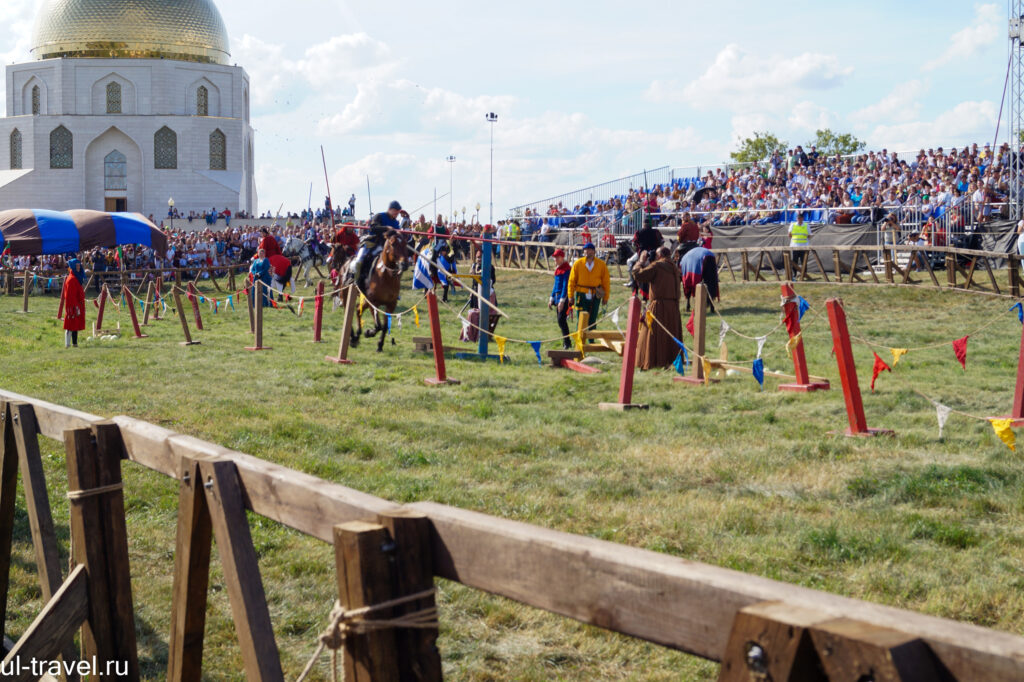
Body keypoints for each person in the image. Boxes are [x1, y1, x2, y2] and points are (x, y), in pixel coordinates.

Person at [632, 246, 682, 369]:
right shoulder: (674, 268)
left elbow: (638, 274)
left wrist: (641, 262)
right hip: (673, 307)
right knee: (670, 334)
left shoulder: (657, 266)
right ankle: (668, 362)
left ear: (659, 256)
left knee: (649, 334)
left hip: (658, 305)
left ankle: (647, 362)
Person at [349, 200, 402, 290]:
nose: (396, 213)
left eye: (398, 212)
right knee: (359, 261)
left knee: (398, 265)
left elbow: (396, 235)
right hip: (372, 243)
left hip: (385, 247)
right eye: (395, 211)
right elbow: (373, 227)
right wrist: (386, 228)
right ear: (390, 209)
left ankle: (392, 288)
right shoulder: (379, 216)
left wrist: (399, 234)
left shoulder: (396, 223)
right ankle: (356, 283)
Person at [568, 242, 610, 329]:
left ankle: (592, 341)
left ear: (594, 252)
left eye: (590, 251)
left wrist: (606, 297)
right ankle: (579, 341)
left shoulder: (601, 265)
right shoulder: (578, 264)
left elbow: (606, 282)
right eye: (586, 251)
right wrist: (570, 296)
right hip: (581, 294)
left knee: (592, 320)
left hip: (595, 294)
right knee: (581, 319)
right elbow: (571, 281)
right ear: (583, 252)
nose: (588, 253)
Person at [549, 248, 572, 349]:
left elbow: (565, 285)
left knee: (561, 320)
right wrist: (551, 298)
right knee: (560, 321)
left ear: (562, 258)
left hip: (564, 298)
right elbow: (555, 285)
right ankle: (566, 341)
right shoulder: (558, 269)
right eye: (554, 258)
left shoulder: (567, 269)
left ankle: (567, 342)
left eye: (557, 258)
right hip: (557, 298)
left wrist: (562, 301)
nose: (555, 260)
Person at [62, 258, 86, 348]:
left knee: (75, 324)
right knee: (70, 324)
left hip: (77, 304)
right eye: (77, 266)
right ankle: (67, 344)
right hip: (73, 305)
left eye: (79, 265)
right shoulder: (71, 279)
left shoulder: (77, 277)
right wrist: (73, 307)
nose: (79, 267)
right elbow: (69, 295)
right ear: (72, 267)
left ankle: (74, 343)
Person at [788, 211, 811, 276]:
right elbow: (789, 235)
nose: (799, 219)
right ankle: (794, 274)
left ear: (803, 218)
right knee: (795, 261)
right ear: (796, 219)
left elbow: (809, 235)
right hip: (795, 246)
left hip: (804, 246)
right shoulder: (793, 225)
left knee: (804, 261)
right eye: (798, 218)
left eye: (800, 218)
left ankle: (804, 274)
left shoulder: (806, 225)